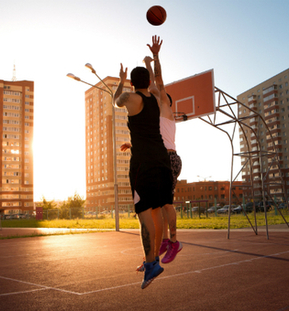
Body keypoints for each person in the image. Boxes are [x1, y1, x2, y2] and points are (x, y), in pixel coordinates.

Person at [114, 35, 173, 289]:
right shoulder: (156, 96)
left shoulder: (131, 98)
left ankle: (151, 264)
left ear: (131, 82)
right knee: (158, 211)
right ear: (148, 82)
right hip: (163, 162)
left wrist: (119, 81)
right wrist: (156, 57)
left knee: (144, 216)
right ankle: (153, 259)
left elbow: (116, 100)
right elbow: (159, 79)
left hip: (143, 165)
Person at [122, 46, 183, 267]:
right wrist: (132, 144)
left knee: (165, 205)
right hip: (160, 158)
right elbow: (152, 85)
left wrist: (154, 59)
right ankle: (157, 252)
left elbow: (158, 81)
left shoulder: (164, 102)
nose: (156, 90)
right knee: (156, 208)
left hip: (169, 159)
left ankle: (173, 242)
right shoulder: (154, 108)